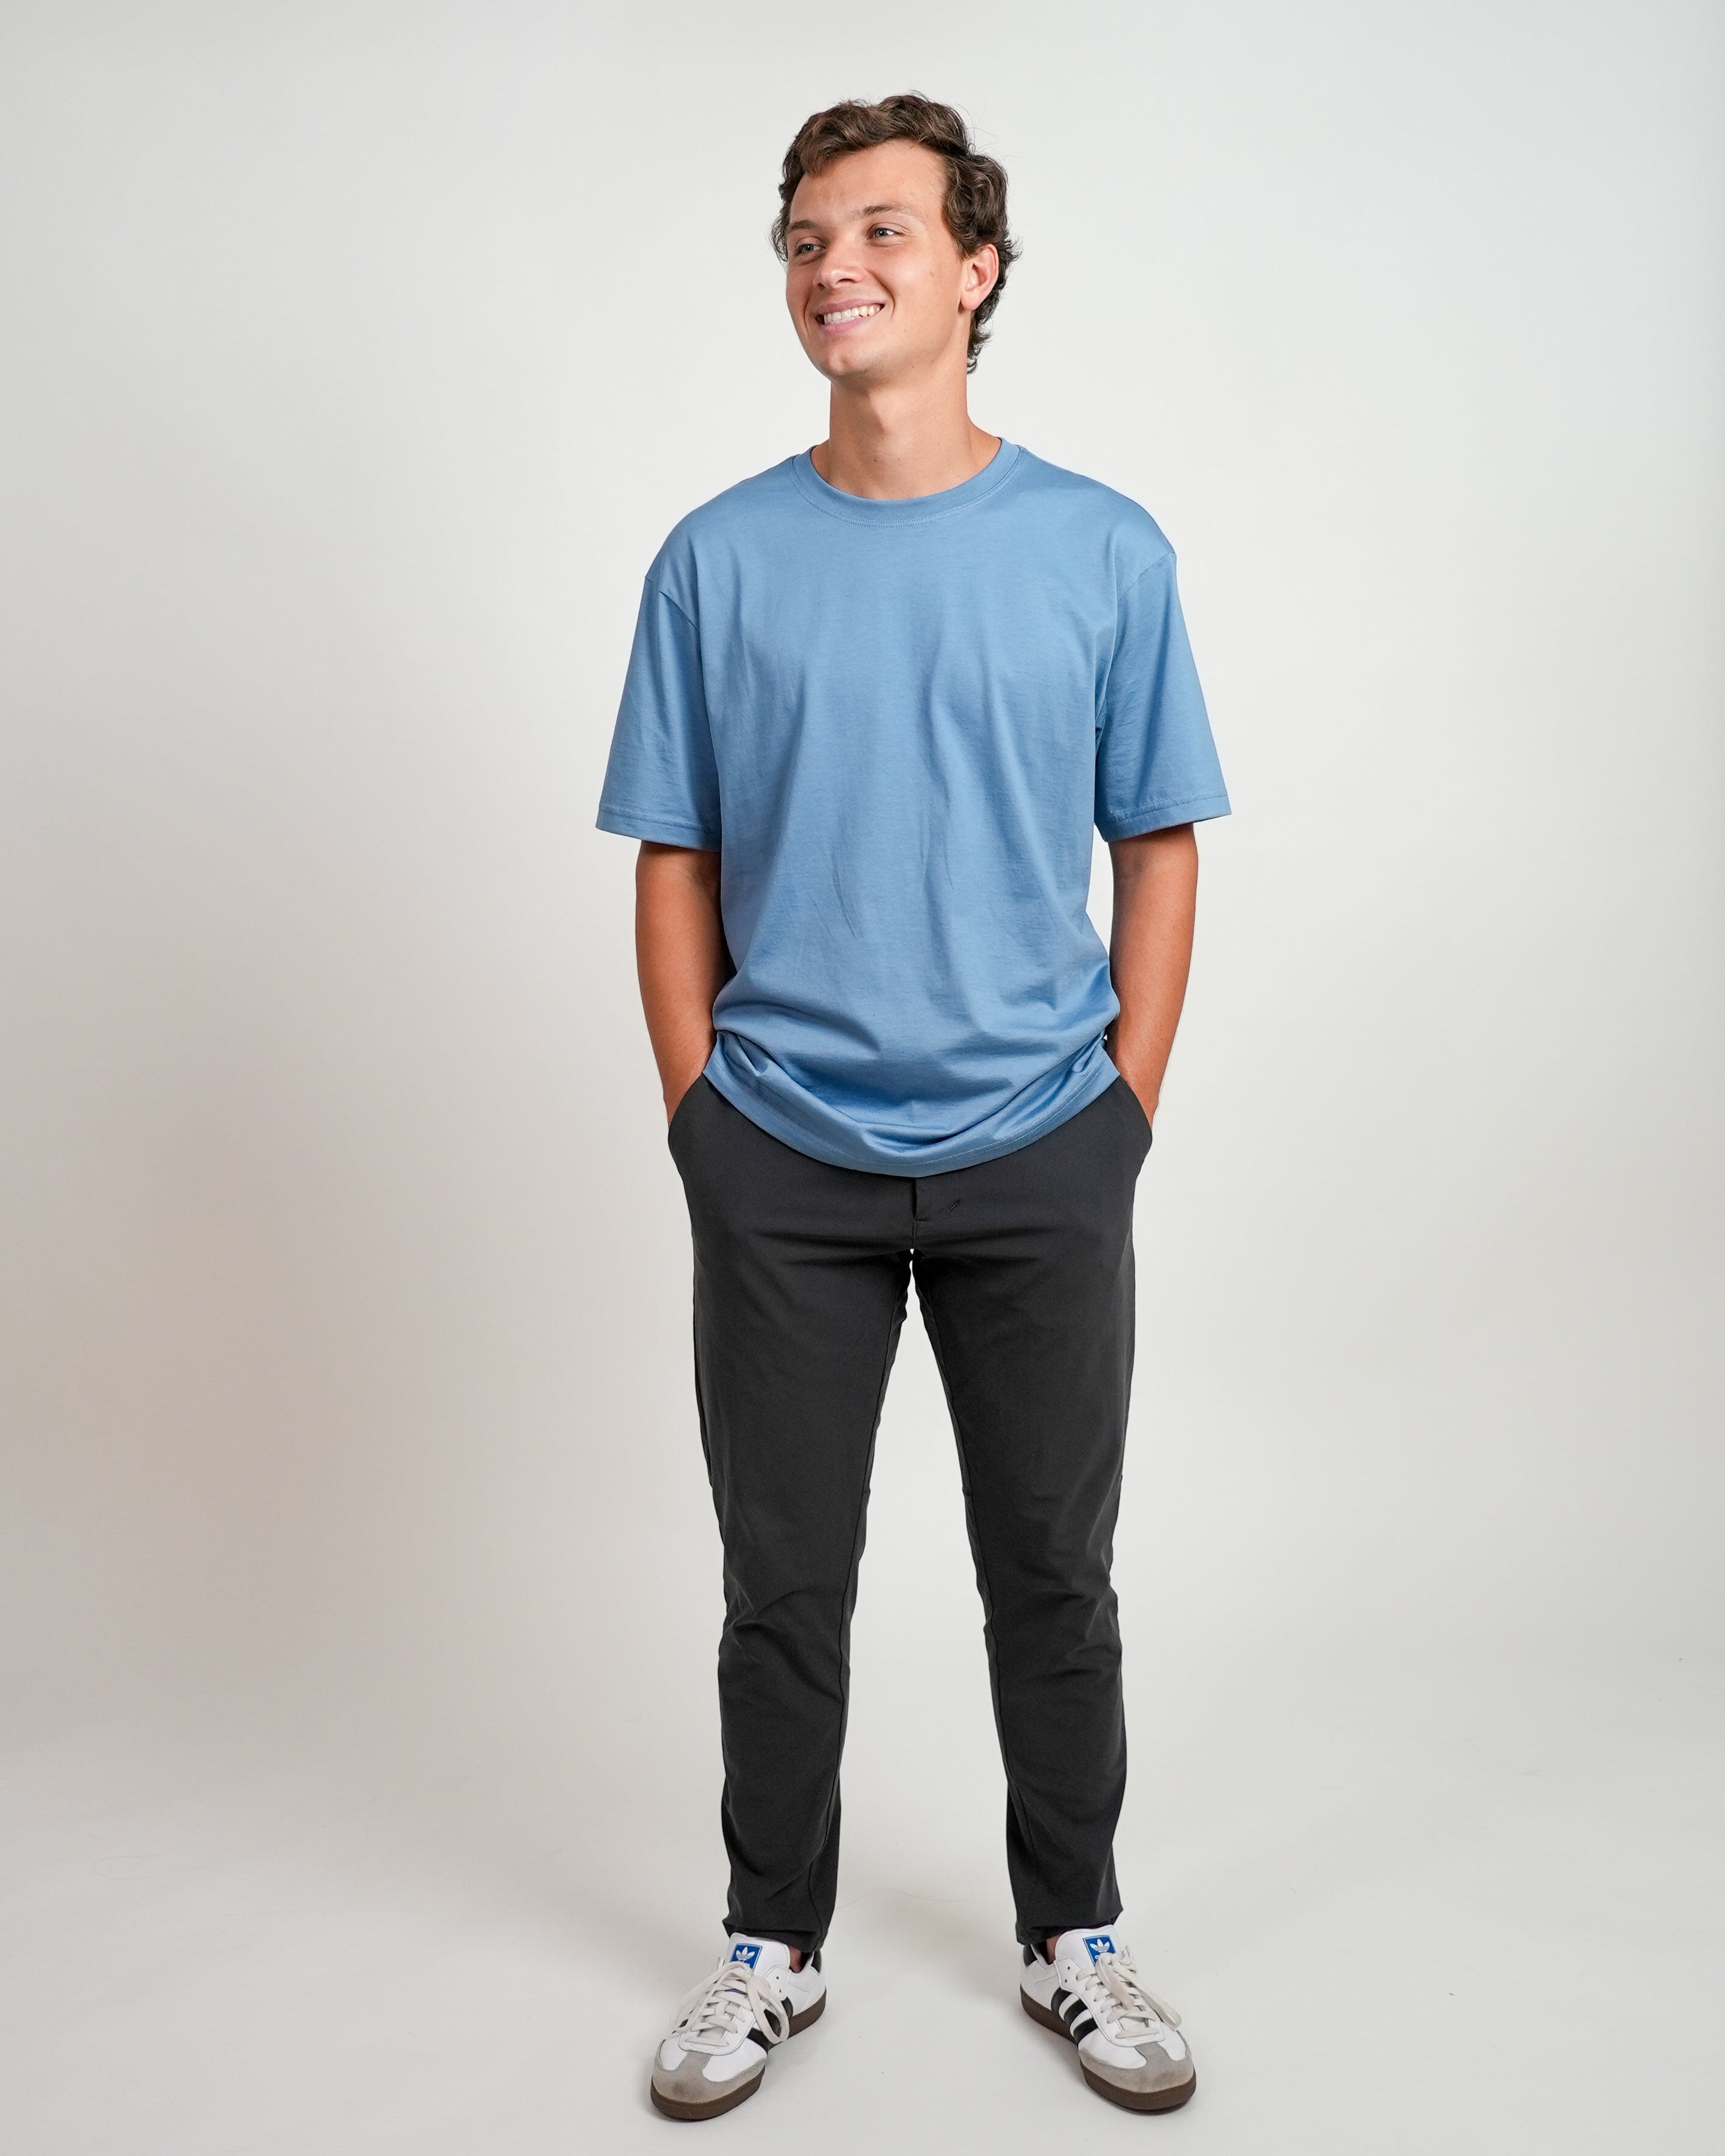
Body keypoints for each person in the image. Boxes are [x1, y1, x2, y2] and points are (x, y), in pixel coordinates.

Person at [597, 92, 1229, 2121]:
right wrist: (701, 1107)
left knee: (1052, 1565)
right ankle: (769, 1951)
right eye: (799, 237)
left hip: (1045, 1143)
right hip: (780, 1153)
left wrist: (1120, 1106)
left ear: (973, 268)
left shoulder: (1102, 548)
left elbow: (1161, 837)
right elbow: (672, 854)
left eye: (876, 229)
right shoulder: (716, 558)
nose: (830, 265)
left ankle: (1080, 1936)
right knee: (782, 1576)